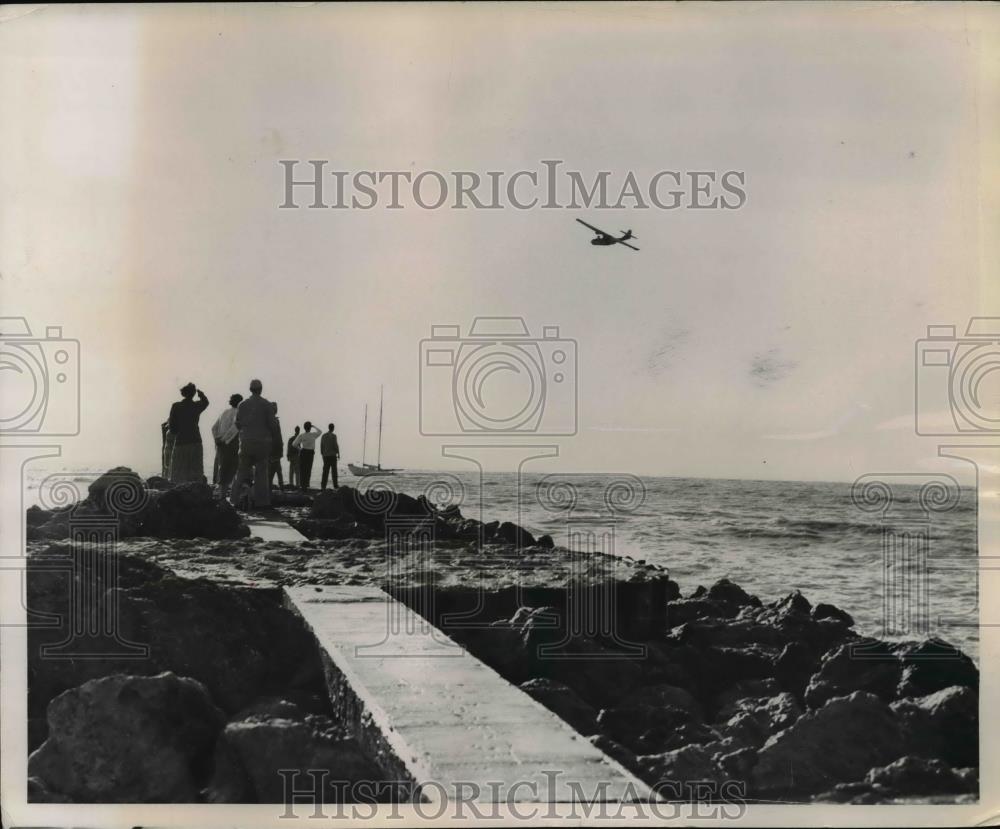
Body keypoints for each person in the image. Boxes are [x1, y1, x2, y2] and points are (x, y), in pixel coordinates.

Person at [229, 379, 277, 509]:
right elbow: (273, 425)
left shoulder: (242, 405)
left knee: (241, 472)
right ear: (261, 389)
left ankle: (234, 500)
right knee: (262, 473)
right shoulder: (266, 404)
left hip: (246, 442)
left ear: (250, 390)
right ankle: (262, 503)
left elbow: (237, 424)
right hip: (262, 444)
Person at [168, 383, 209, 483]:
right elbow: (206, 402)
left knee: (179, 472)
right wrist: (201, 395)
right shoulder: (196, 406)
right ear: (193, 393)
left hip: (181, 441)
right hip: (195, 441)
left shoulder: (176, 406)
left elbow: (172, 428)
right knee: (196, 470)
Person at [211, 393, 243, 498]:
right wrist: (224, 440)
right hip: (230, 444)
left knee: (222, 468)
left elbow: (214, 427)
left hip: (220, 444)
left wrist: (217, 439)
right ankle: (229, 495)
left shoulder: (224, 412)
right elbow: (234, 429)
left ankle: (221, 494)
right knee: (233, 469)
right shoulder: (238, 413)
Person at [292, 421, 321, 491]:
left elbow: (294, 444)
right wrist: (313, 426)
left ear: (304, 428)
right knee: (308, 469)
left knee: (303, 469)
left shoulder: (302, 435)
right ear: (310, 428)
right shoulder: (313, 435)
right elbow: (320, 431)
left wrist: (300, 449)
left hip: (303, 452)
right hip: (310, 453)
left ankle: (303, 485)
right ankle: (306, 484)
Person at [269, 401, 285, 490]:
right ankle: (278, 486)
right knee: (276, 469)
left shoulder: (275, 420)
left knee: (277, 469)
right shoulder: (272, 420)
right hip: (273, 448)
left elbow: (279, 435)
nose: (276, 409)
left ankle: (278, 486)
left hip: (275, 448)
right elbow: (276, 435)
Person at [320, 423, 340, 490]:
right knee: (334, 471)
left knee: (325, 471)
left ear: (328, 428)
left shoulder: (323, 436)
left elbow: (321, 446)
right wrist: (338, 453)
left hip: (325, 456)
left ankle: (323, 486)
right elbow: (335, 446)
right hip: (332, 456)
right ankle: (335, 485)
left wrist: (322, 454)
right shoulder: (334, 436)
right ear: (333, 428)